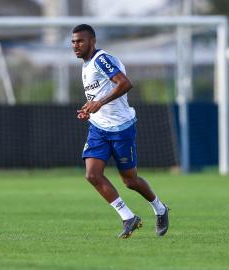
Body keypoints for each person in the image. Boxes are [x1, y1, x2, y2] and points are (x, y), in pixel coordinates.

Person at [71, 24, 169, 238]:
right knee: (92, 174)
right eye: (73, 41)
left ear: (92, 42)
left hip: (121, 128)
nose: (75, 45)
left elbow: (125, 83)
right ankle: (128, 217)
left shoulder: (101, 59)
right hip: (98, 127)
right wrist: (89, 108)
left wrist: (99, 103)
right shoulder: (87, 64)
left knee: (130, 181)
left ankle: (160, 209)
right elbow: (99, 94)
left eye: (80, 41)